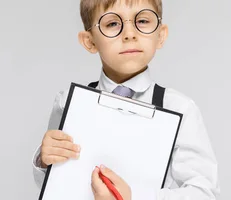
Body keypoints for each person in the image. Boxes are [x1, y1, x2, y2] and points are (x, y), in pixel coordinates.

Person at [32, 0, 219, 199]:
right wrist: (44, 161)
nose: (130, 34)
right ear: (90, 41)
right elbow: (54, 186)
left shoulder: (181, 109)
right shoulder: (67, 102)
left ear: (161, 35)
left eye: (143, 21)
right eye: (112, 23)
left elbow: (204, 193)